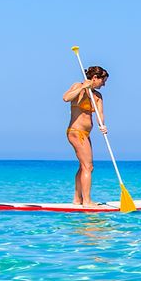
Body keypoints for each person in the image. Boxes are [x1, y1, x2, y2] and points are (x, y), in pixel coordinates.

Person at [62, 66, 110, 206]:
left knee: (84, 166)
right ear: (95, 78)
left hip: (86, 134)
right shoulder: (79, 86)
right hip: (75, 132)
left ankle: (77, 199)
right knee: (88, 167)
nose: (104, 84)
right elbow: (66, 98)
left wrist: (103, 125)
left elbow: (100, 114)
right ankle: (87, 201)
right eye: (103, 81)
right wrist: (83, 87)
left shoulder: (98, 96)